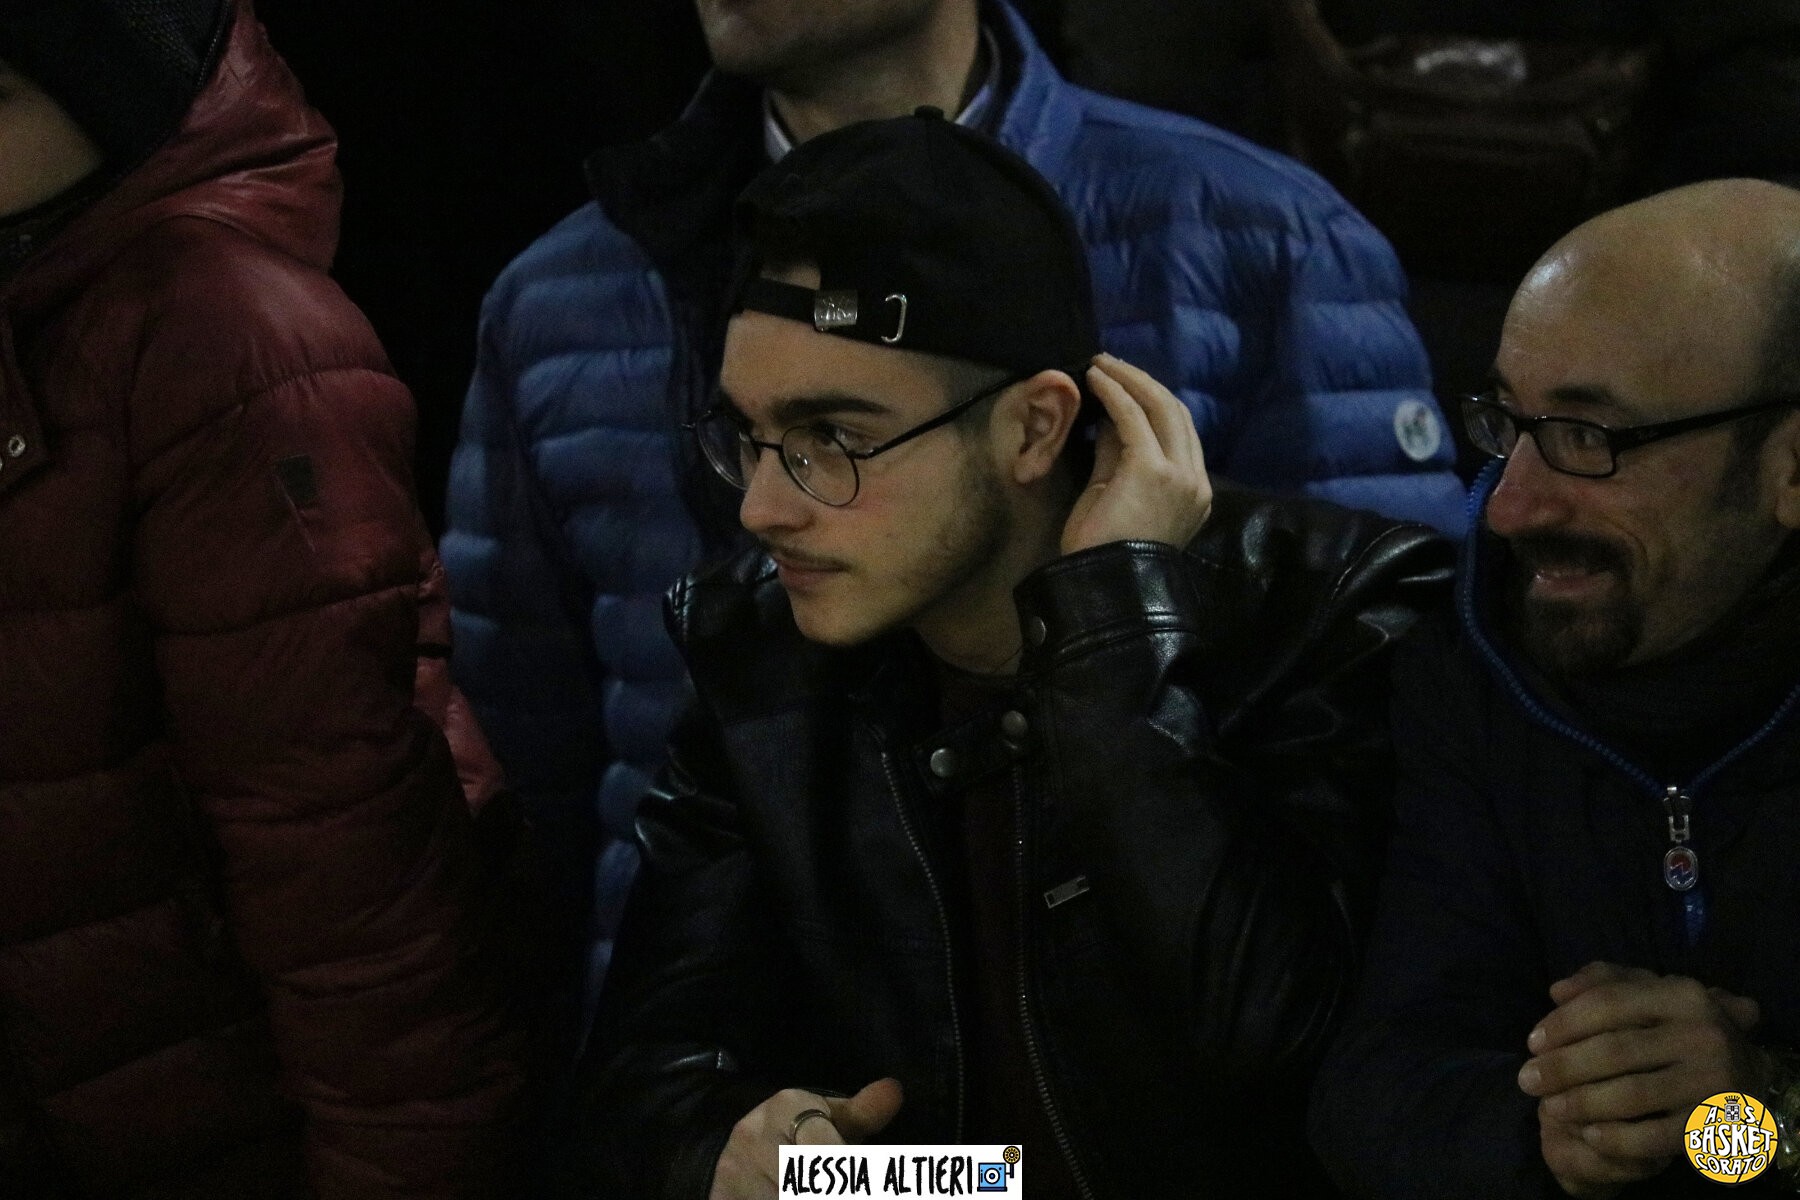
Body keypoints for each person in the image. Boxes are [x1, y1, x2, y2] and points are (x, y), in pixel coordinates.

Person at [442, 0, 1468, 1108]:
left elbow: (1325, 1038)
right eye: (747, 440)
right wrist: (761, 1161)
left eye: (838, 441)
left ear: (1039, 429)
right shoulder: (750, 649)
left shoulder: (1267, 278)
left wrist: (1110, 617)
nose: (764, 512)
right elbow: (535, 834)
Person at [0, 1, 522, 1194]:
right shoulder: (38, 296)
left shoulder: (223, 337)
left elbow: (348, 870)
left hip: (213, 1130)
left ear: (115, 102)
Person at [1309, 178, 1800, 1199]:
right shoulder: (1477, 662)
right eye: (1508, 422)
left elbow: (1742, 1135)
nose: (1508, 507)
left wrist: (1757, 1119)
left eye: (1588, 437)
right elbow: (1374, 1093)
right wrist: (1557, 1136)